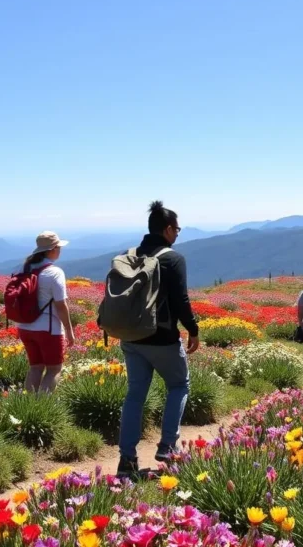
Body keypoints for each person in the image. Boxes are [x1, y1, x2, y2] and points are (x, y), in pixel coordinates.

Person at [117, 201, 200, 478]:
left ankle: (126, 460)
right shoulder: (172, 259)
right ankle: (167, 447)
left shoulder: (129, 256)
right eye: (176, 229)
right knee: (179, 385)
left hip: (131, 337)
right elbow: (181, 300)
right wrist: (193, 329)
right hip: (162, 338)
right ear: (166, 230)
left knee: (135, 395)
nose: (177, 234)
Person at [12, 231, 76, 393]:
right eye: (59, 247)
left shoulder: (23, 267)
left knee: (35, 368)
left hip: (25, 327)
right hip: (48, 330)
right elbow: (61, 306)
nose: (60, 250)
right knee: (54, 369)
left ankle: (30, 406)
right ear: (53, 249)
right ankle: (41, 407)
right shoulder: (54, 272)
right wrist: (69, 330)